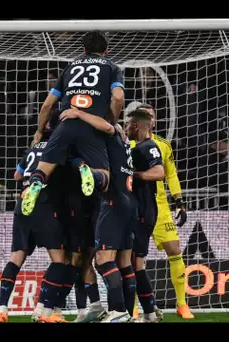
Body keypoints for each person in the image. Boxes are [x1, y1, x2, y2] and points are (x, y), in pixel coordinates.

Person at [21, 31, 125, 216]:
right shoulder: (112, 68)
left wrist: (38, 131)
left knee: (44, 167)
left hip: (64, 124)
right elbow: (118, 98)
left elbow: (47, 105)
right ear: (106, 50)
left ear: (83, 50)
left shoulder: (69, 68)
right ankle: (89, 173)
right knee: (105, 177)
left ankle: (35, 184)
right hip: (91, 127)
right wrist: (111, 121)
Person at [59, 108, 138, 323]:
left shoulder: (111, 132)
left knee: (103, 261)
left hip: (112, 202)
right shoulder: (123, 142)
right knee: (124, 262)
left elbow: (105, 126)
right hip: (130, 202)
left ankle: (118, 311)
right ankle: (127, 314)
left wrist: (78, 113)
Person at [0, 110, 69, 323]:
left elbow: (17, 175)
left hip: (22, 204)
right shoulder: (58, 147)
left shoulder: (32, 148)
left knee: (16, 258)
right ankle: (42, 309)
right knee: (59, 261)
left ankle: (2, 309)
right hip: (43, 204)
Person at [125, 102, 193, 320]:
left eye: (153, 115)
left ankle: (182, 304)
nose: (151, 119)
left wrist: (179, 200)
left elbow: (170, 174)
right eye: (147, 116)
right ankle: (134, 306)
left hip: (160, 205)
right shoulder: (127, 143)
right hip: (135, 205)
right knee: (134, 256)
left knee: (174, 249)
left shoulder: (163, 144)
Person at [125, 109, 166, 323]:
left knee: (134, 262)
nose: (126, 128)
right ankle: (148, 312)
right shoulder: (138, 147)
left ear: (137, 126)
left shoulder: (149, 147)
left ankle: (147, 313)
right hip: (139, 210)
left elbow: (159, 173)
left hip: (143, 211)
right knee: (132, 261)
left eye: (129, 124)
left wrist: (135, 175)